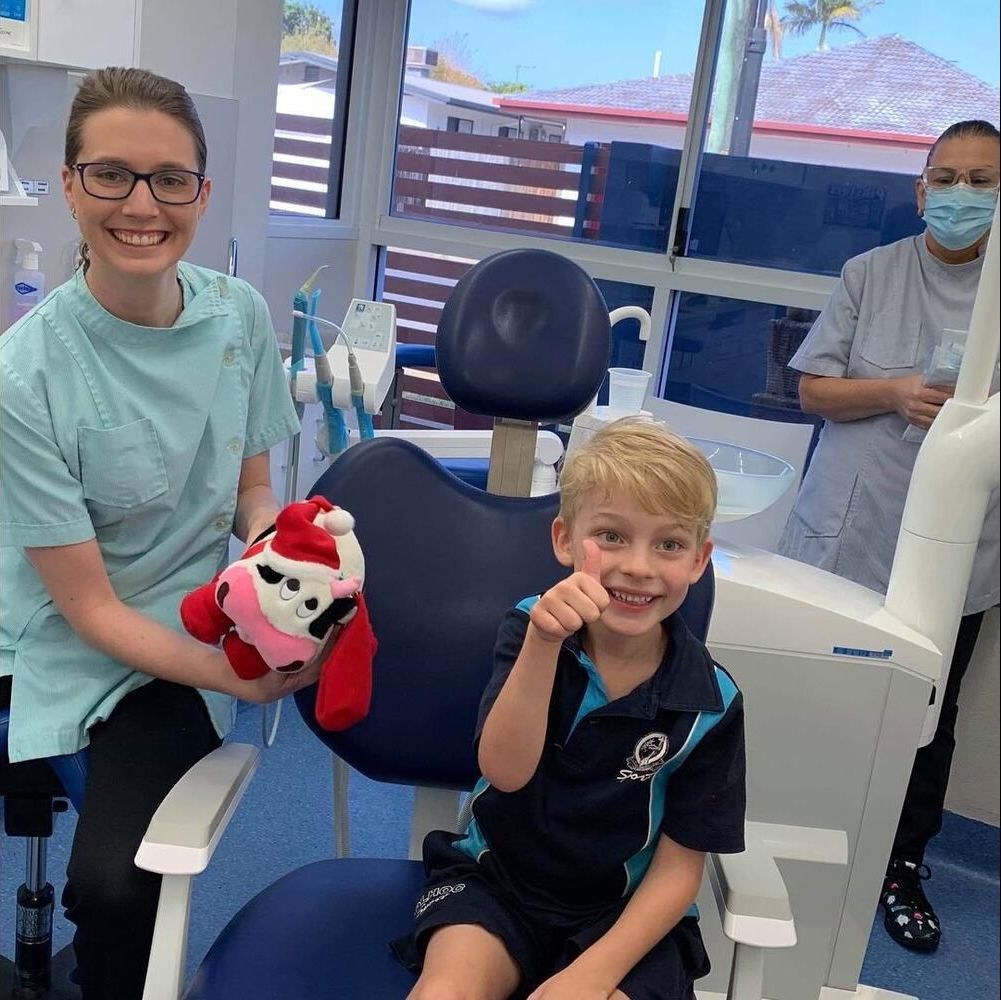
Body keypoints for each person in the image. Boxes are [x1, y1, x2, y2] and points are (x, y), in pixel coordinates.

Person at [0, 67, 307, 998]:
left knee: (117, 888)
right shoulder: (25, 375)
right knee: (112, 884)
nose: (142, 204)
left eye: (169, 179)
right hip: (65, 633)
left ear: (202, 195)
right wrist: (234, 675)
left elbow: (253, 486)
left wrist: (282, 553)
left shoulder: (239, 319)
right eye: (111, 175)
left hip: (184, 624)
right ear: (69, 184)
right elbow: (86, 605)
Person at [393, 417, 746, 1000]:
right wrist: (543, 643)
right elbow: (505, 772)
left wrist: (592, 972)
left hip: (624, 914)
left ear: (699, 560)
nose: (638, 565)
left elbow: (681, 868)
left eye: (670, 544)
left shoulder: (711, 702)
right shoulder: (530, 627)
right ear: (563, 539)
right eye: (611, 536)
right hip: (498, 883)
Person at [777, 119, 1000, 953]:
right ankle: (789, 840)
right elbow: (810, 391)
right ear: (918, 190)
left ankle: (900, 864)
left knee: (925, 718)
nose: (960, 196)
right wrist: (895, 391)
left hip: (959, 548)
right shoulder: (867, 273)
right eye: (945, 178)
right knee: (821, 690)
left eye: (982, 181)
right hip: (851, 523)